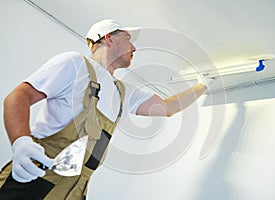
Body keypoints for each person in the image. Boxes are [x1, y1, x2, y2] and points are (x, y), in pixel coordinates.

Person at [0, 19, 207, 199]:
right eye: (128, 39)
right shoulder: (74, 64)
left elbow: (168, 107)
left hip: (75, 191)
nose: (134, 47)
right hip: (34, 178)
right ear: (108, 38)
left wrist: (203, 85)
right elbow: (18, 97)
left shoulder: (124, 93)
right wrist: (21, 142)